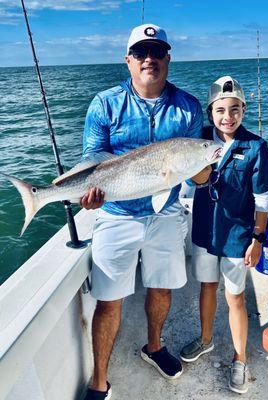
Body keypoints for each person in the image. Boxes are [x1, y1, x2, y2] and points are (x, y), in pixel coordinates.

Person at [81, 23, 204, 400]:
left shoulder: (189, 107)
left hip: (165, 211)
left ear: (168, 58)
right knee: (109, 298)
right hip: (116, 212)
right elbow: (91, 160)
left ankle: (154, 346)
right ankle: (99, 379)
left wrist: (202, 170)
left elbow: (199, 174)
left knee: (161, 287)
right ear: (128, 60)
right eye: (140, 53)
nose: (149, 59)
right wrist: (90, 193)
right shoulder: (104, 104)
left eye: (157, 52)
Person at [180, 76, 268, 394]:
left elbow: (263, 201)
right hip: (205, 232)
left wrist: (258, 239)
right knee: (207, 286)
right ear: (211, 112)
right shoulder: (198, 139)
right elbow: (193, 180)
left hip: (237, 235)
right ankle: (206, 340)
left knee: (235, 296)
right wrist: (200, 170)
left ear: (243, 110)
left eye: (235, 109)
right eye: (221, 110)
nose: (228, 117)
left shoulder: (255, 147)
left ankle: (240, 359)